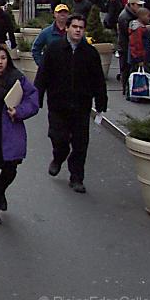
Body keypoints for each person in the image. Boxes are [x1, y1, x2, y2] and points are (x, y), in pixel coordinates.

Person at [34, 13, 107, 193]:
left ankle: (76, 177)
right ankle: (58, 157)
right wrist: (36, 98)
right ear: (67, 28)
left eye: (81, 28)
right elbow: (43, 75)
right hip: (58, 104)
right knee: (59, 138)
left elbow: (98, 80)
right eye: (74, 27)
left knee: (81, 144)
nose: (78, 30)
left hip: (81, 106)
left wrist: (101, 101)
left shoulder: (90, 53)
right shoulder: (54, 49)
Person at [0, 43, 39, 225]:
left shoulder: (16, 78)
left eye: (3, 58)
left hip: (10, 131)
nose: (0, 62)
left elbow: (32, 99)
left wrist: (19, 112)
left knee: (10, 169)